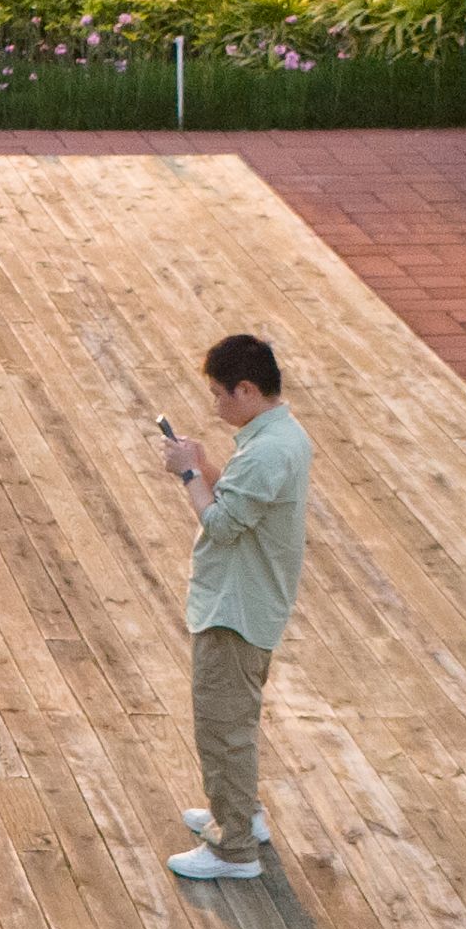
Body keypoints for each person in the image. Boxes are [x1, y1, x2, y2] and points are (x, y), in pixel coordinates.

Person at [158, 331, 309, 883]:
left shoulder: (266, 452)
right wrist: (204, 465)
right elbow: (241, 503)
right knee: (235, 721)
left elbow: (221, 524)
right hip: (250, 602)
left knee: (222, 729)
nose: (216, 405)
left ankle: (234, 847)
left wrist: (188, 474)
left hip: (235, 611)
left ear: (246, 389)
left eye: (220, 394)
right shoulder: (279, 435)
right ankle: (242, 812)